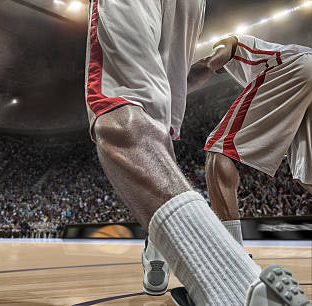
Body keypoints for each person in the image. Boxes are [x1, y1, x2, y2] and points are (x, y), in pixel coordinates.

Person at [84, 1, 309, 305]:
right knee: (158, 126)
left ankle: (232, 280)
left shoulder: (252, 49)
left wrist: (213, 61)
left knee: (124, 107)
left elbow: (228, 47)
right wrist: (189, 76)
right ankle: (160, 243)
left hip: (293, 66)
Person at [187, 34, 311, 245]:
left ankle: (232, 254)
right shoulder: (249, 69)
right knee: (306, 176)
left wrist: (204, 67)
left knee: (220, 147)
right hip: (304, 73)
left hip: (296, 67)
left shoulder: (232, 42)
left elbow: (214, 58)